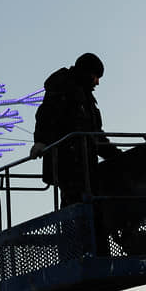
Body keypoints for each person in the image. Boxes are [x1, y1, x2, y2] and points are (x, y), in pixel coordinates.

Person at [30, 53, 121, 207]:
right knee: (75, 205)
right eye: (95, 76)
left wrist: (117, 156)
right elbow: (46, 116)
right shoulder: (62, 87)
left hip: (85, 166)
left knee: (87, 206)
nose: (97, 82)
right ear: (86, 72)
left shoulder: (87, 100)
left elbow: (95, 135)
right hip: (69, 164)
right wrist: (40, 141)